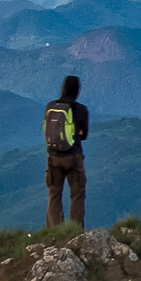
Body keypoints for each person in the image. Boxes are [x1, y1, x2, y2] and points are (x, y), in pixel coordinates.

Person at [43, 75, 89, 227]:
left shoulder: (50, 107)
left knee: (54, 194)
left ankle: (55, 232)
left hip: (53, 156)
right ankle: (74, 230)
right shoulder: (81, 110)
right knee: (77, 193)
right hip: (73, 156)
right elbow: (84, 134)